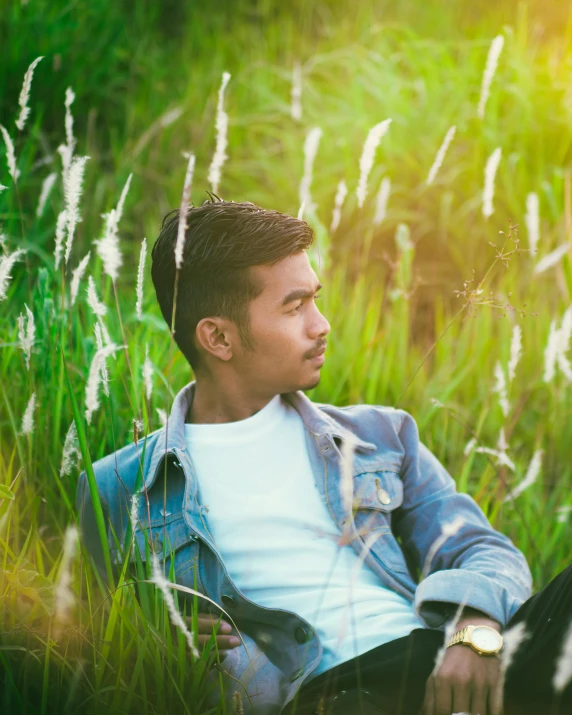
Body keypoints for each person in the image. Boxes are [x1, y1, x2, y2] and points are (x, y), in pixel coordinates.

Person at [77, 198, 572, 715]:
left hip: (449, 661)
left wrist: (475, 629)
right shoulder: (120, 487)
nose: (322, 324)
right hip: (334, 694)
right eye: (295, 307)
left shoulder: (382, 433)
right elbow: (98, 649)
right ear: (218, 337)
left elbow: (481, 547)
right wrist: (156, 637)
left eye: (315, 299)